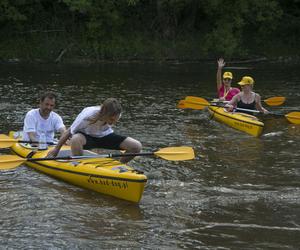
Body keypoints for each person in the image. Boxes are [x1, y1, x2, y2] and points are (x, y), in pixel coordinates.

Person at [47, 98, 142, 163]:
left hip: (105, 136)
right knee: (75, 139)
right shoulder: (88, 115)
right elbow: (68, 132)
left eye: (116, 119)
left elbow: (111, 123)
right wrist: (56, 149)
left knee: (136, 146)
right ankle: (79, 164)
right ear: (105, 113)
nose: (113, 122)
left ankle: (119, 166)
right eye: (112, 119)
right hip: (87, 138)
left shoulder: (117, 113)